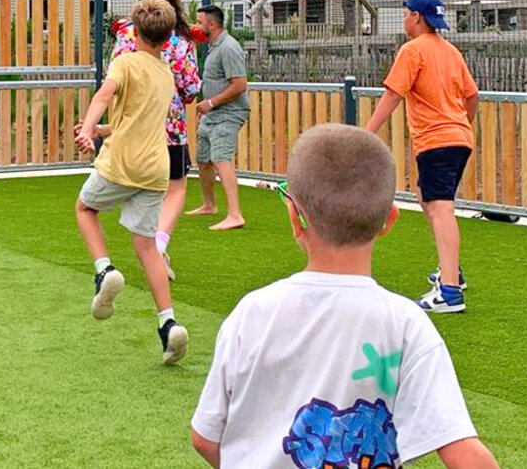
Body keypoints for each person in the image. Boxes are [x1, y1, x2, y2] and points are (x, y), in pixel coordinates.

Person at [191, 124, 500, 469]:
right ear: (389, 220)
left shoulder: (253, 312)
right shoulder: (406, 324)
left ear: (295, 217)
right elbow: (466, 457)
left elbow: (205, 437)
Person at [74, 0, 188, 365]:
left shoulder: (124, 62)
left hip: (123, 162)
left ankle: (104, 270)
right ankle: (168, 325)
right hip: (156, 168)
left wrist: (89, 130)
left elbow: (104, 95)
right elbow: (135, 117)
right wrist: (102, 128)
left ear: (134, 32)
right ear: (168, 38)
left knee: (85, 209)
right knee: (147, 246)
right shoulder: (166, 73)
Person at [366, 0, 478, 314]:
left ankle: (450, 293)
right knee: (427, 199)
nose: (403, 21)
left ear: (416, 17)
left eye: (405, 15)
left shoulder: (412, 50)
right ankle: (451, 270)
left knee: (440, 208)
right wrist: (459, 126)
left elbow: (392, 96)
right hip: (458, 139)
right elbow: (472, 96)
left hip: (437, 141)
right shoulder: (451, 51)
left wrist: (365, 134)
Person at [98, 0, 201, 281]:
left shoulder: (127, 36)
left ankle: (141, 243)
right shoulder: (182, 42)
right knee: (176, 186)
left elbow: (113, 75)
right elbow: (191, 88)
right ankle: (158, 243)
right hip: (170, 129)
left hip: (130, 126)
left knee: (129, 183)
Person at [186, 4, 251, 231]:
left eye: (199, 21)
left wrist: (211, 102)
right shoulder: (214, 46)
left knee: (220, 158)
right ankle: (209, 205)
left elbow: (240, 85)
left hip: (229, 113)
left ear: (211, 24)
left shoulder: (229, 48)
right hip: (213, 113)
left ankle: (235, 215)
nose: (196, 25)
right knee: (203, 159)